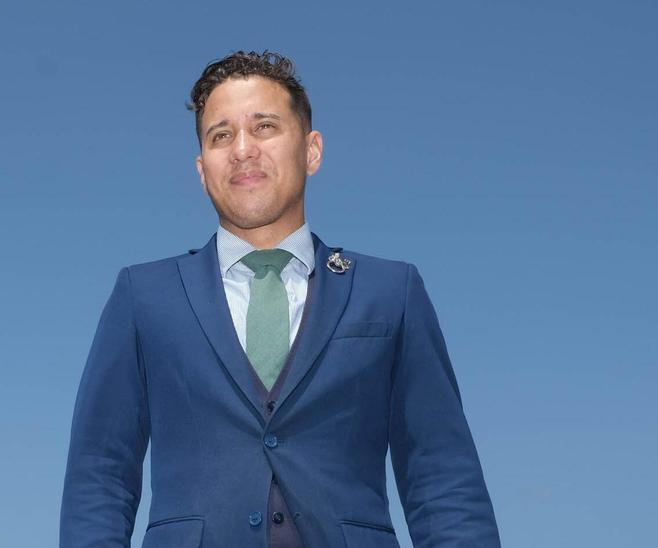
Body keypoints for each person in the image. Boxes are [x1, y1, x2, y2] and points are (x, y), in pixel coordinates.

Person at [59, 51, 501, 548]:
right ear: (202, 169)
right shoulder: (143, 296)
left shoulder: (391, 292)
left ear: (312, 150)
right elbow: (100, 474)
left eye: (264, 126)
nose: (242, 149)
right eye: (221, 135)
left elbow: (441, 476)